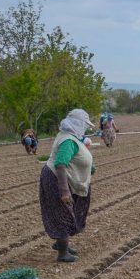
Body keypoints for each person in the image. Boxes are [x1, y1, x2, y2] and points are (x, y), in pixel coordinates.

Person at [39, 109, 96, 263]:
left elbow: (77, 158)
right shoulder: (68, 141)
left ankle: (61, 244)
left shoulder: (71, 137)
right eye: (84, 125)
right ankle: (63, 254)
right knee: (63, 214)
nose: (85, 128)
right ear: (77, 124)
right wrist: (64, 192)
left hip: (67, 180)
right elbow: (61, 164)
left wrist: (90, 167)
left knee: (70, 212)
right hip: (58, 180)